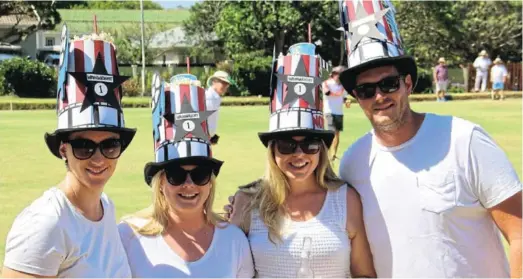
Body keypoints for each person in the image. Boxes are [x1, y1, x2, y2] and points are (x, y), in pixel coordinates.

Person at [337, 0, 522, 277]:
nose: (379, 96)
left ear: (408, 83)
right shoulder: (353, 162)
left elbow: (519, 232)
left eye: (389, 84)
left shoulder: (464, 140)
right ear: (356, 99)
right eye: (365, 90)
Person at [228, 42, 376, 278]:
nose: (299, 154)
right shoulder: (247, 201)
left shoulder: (345, 199)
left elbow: (364, 274)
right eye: (287, 145)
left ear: (321, 150)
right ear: (272, 150)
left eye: (310, 144)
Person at [2, 26, 136, 277]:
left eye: (110, 145)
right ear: (64, 149)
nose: (98, 158)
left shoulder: (106, 208)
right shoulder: (46, 222)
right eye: (84, 145)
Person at [118, 73, 254, 278]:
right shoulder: (128, 237)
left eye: (200, 174)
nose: (189, 184)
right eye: (176, 175)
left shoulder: (234, 240)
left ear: (211, 182)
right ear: (160, 181)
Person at [322, 65, 351, 161]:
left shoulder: (342, 86)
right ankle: (327, 154)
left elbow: (344, 98)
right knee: (331, 133)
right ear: (334, 74)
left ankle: (333, 155)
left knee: (337, 134)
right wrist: (339, 93)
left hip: (339, 112)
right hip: (329, 111)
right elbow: (327, 93)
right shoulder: (326, 83)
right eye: (339, 74)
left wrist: (346, 101)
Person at [205, 70, 236, 145]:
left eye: (227, 84)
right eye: (223, 83)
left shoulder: (216, 97)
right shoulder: (209, 97)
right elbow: (206, 119)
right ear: (214, 82)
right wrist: (210, 135)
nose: (226, 86)